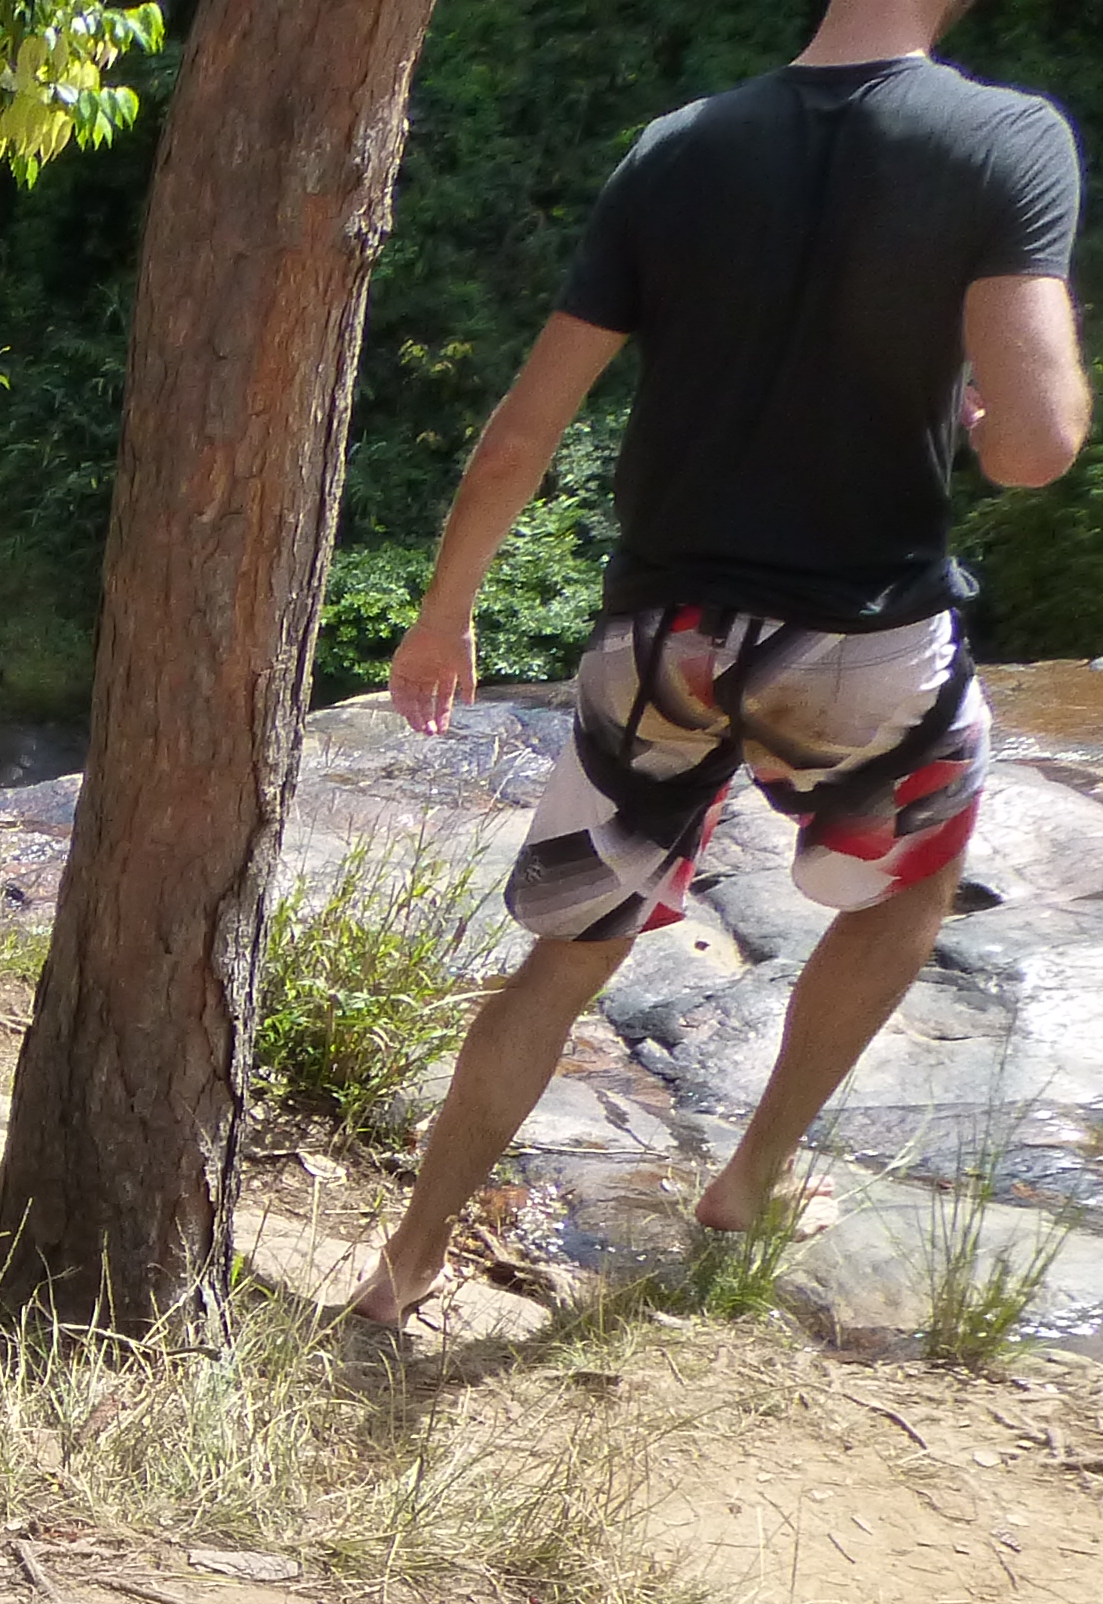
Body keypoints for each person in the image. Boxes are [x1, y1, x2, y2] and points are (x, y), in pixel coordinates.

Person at [350, 0, 1085, 1333]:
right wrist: (990, 406)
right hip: (863, 638)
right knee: (905, 890)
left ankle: (406, 1260)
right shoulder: (1005, 141)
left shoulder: (678, 149)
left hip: (662, 636)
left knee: (569, 955)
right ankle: (749, 1177)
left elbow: (521, 434)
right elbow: (1034, 447)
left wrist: (443, 612)